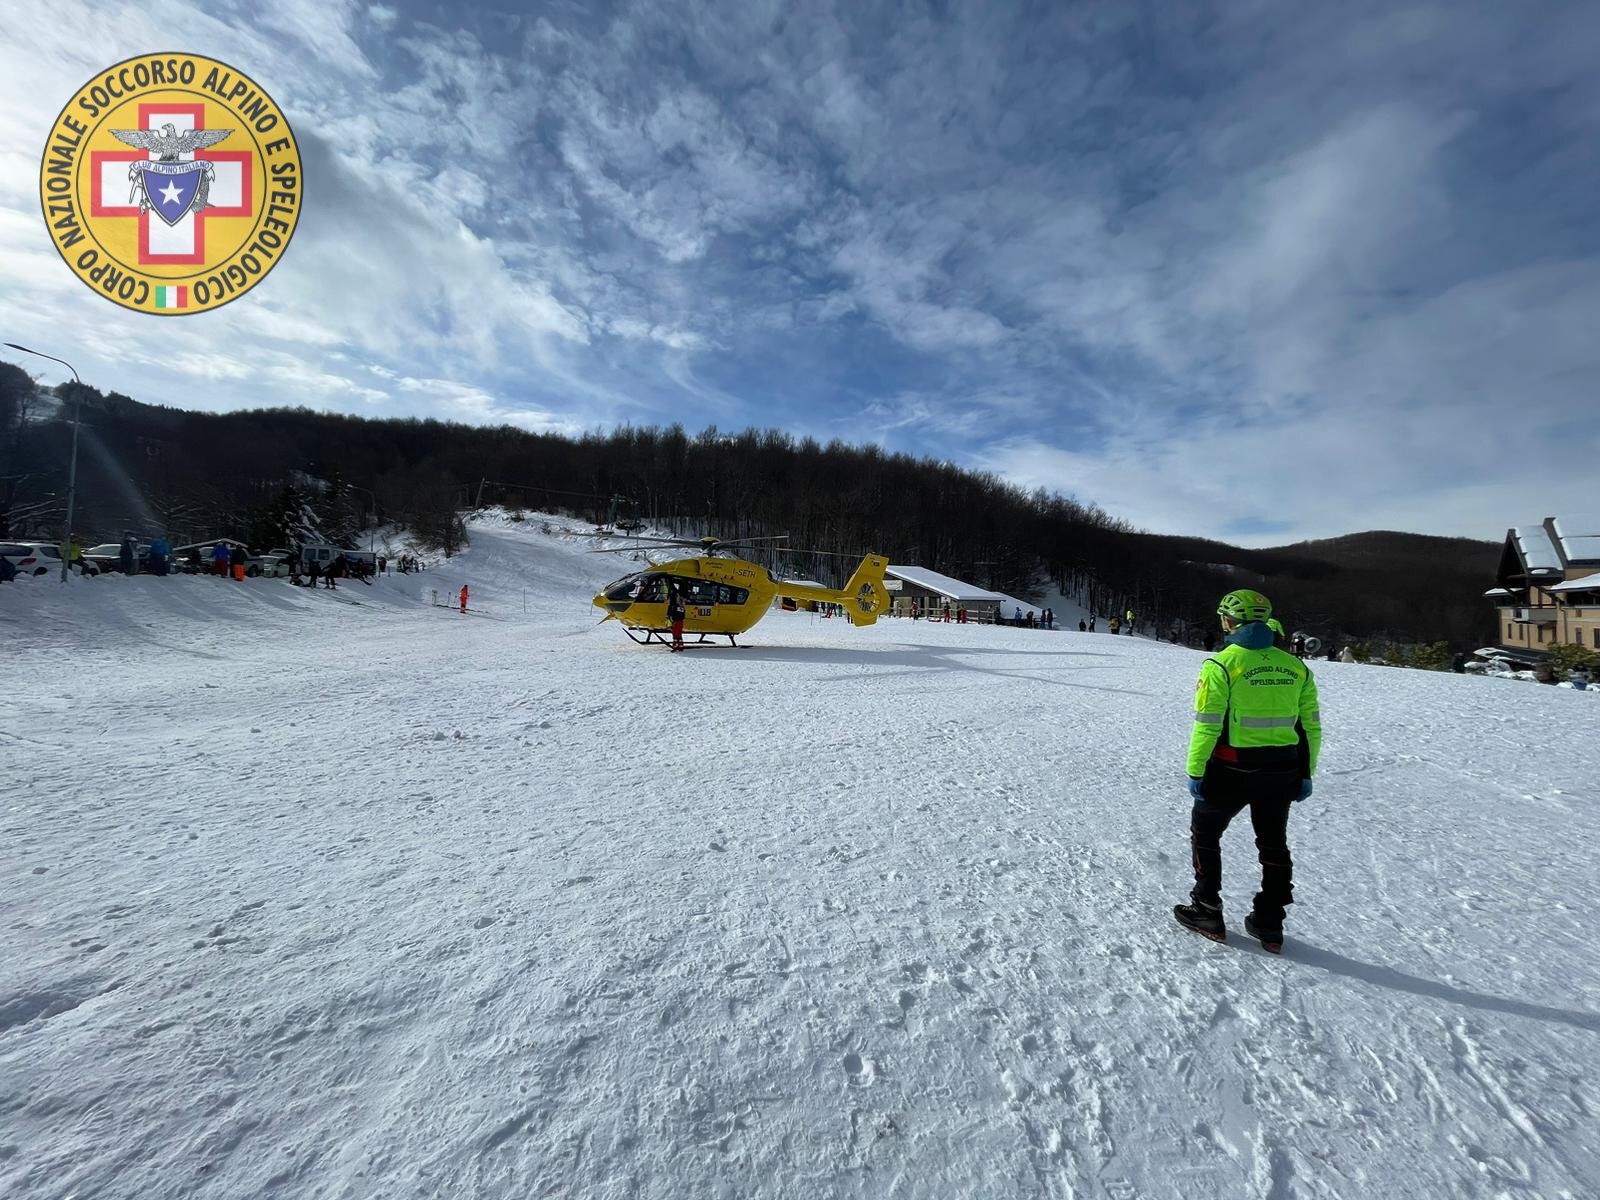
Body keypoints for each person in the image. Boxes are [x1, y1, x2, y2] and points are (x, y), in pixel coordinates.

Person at [1173, 589, 1321, 953]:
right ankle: (1270, 922)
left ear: (1227, 621)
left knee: (1205, 835)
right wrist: (1306, 773)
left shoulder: (1222, 664)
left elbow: (1207, 724)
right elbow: (1310, 727)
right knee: (1273, 843)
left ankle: (1207, 908)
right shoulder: (1296, 666)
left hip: (1230, 768)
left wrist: (1195, 771)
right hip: (1282, 769)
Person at [667, 582, 687, 651]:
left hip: (675, 621)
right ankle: (680, 646)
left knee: (675, 635)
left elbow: (671, 613)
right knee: (679, 634)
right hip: (680, 622)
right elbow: (683, 615)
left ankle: (675, 646)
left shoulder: (674, 606)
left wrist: (670, 616)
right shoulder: (682, 607)